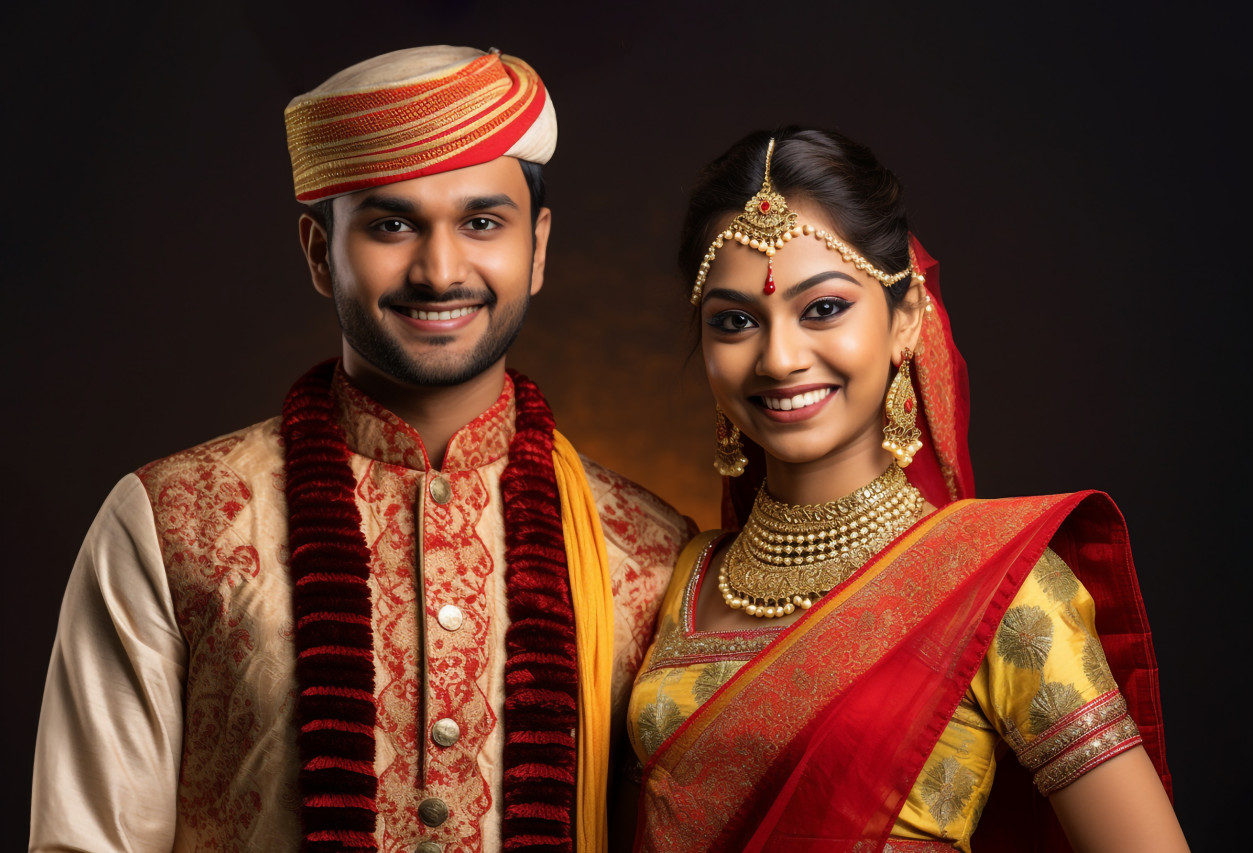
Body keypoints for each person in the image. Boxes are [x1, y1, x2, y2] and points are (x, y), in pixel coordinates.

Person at [31, 46, 693, 853]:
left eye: (482, 222)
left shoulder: (653, 555)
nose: (441, 269)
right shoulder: (171, 526)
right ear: (318, 251)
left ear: (540, 246)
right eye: (391, 224)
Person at [623, 129, 1188, 851]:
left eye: (823, 307)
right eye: (734, 321)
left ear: (906, 320)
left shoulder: (998, 588)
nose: (780, 356)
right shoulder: (682, 575)